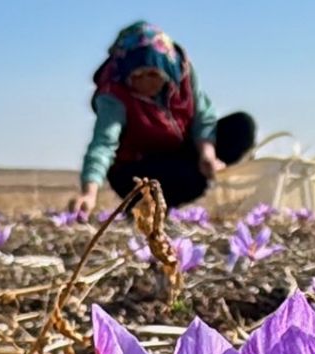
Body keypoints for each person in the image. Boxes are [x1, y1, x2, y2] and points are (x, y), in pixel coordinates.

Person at [69, 22, 256, 213]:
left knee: (241, 126)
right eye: (137, 75)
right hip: (138, 170)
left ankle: (216, 185)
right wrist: (89, 193)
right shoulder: (114, 95)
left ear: (168, 71)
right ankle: (148, 210)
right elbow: (103, 145)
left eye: (153, 74)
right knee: (182, 177)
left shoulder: (182, 74)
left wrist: (207, 154)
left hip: (180, 151)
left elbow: (203, 117)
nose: (145, 82)